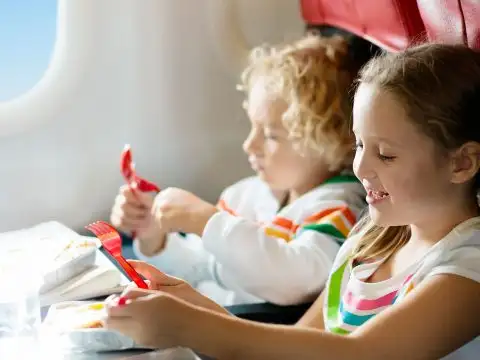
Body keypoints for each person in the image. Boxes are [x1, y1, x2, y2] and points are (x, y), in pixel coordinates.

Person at [105, 43, 480, 359]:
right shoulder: (373, 239)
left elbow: (359, 355)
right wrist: (188, 303)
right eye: (360, 144)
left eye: (386, 154)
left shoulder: (468, 266)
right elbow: (302, 343)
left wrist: (190, 325)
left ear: (461, 162)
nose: (360, 166)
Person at [109, 34, 366, 306]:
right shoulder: (248, 195)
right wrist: (153, 234)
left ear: (328, 141)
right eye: (252, 127)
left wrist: (207, 221)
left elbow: (295, 282)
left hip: (248, 331)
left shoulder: (339, 208)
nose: (249, 145)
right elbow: (199, 268)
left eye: (270, 135)